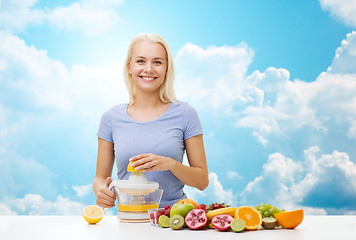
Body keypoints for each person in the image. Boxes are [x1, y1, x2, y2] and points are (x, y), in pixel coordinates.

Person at [93, 33, 209, 208]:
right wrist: (102, 191)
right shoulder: (111, 118)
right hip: (129, 219)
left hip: (173, 221)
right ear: (129, 67)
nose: (149, 69)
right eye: (141, 61)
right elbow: (100, 178)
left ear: (167, 68)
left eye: (157, 62)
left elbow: (202, 181)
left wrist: (170, 164)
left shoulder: (185, 114)